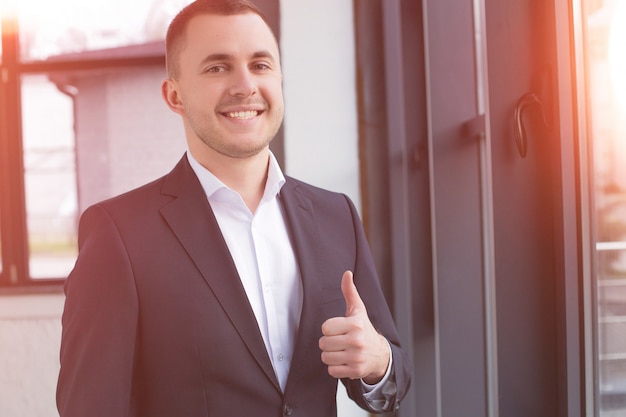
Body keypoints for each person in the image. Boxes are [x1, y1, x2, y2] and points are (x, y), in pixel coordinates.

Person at [56, 0, 411, 415]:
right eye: (217, 67)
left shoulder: (336, 216)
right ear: (174, 95)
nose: (245, 85)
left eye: (260, 65)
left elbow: (393, 383)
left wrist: (377, 362)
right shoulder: (119, 233)